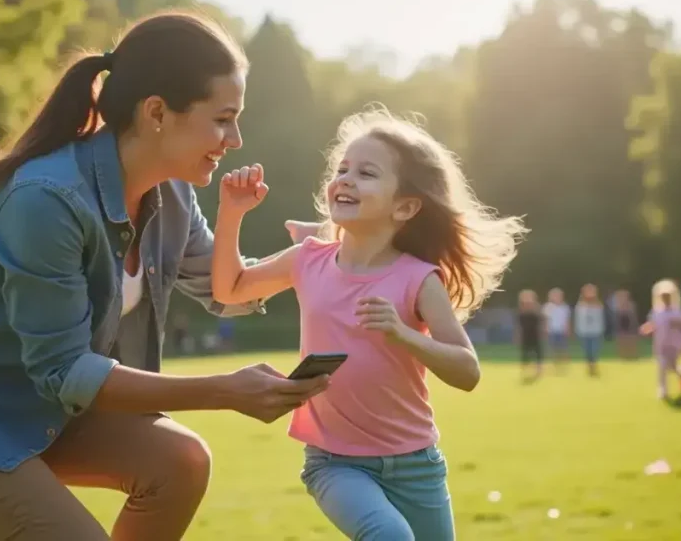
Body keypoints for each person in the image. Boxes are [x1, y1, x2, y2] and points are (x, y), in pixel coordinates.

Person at [0, 12, 330, 541]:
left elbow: (230, 286)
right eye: (223, 119)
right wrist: (224, 390)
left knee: (180, 461)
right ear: (156, 111)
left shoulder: (172, 192)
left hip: (37, 401)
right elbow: (64, 371)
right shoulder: (47, 198)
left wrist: (329, 252)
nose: (236, 139)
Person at [209, 107, 526, 540]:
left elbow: (467, 372)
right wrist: (231, 213)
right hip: (336, 463)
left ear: (406, 206)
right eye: (342, 169)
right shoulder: (307, 260)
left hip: (417, 465)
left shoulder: (419, 279)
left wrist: (404, 334)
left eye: (366, 173)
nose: (345, 179)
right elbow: (230, 289)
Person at [640, 280, 681, 400]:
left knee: (672, 366)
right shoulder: (657, 311)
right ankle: (663, 390)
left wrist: (675, 323)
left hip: (674, 343)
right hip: (661, 343)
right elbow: (652, 324)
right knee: (662, 365)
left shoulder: (677, 311)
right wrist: (647, 329)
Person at [574, 283, 605, 377]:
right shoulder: (580, 306)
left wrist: (601, 330)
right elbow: (578, 319)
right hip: (584, 332)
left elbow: (600, 319)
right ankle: (590, 367)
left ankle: (593, 366)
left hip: (595, 332)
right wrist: (577, 330)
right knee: (587, 351)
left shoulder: (598, 305)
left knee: (594, 350)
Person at [516, 290, 545, 379]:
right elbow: (519, 327)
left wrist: (543, 333)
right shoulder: (521, 313)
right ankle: (525, 369)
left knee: (538, 353)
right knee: (525, 354)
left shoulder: (536, 312)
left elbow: (541, 323)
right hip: (526, 336)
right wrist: (517, 336)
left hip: (535, 335)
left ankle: (539, 369)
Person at [542, 288, 572, 372]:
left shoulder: (565, 307)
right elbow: (545, 320)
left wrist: (568, 330)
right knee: (553, 348)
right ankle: (555, 364)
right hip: (552, 331)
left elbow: (567, 320)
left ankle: (564, 365)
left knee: (563, 348)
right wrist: (545, 330)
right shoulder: (547, 307)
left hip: (562, 331)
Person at [612, 289, 639, 359]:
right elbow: (616, 319)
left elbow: (633, 317)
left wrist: (634, 326)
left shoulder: (631, 305)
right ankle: (623, 356)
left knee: (631, 340)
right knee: (621, 341)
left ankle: (632, 355)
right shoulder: (617, 307)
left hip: (630, 326)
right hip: (621, 327)